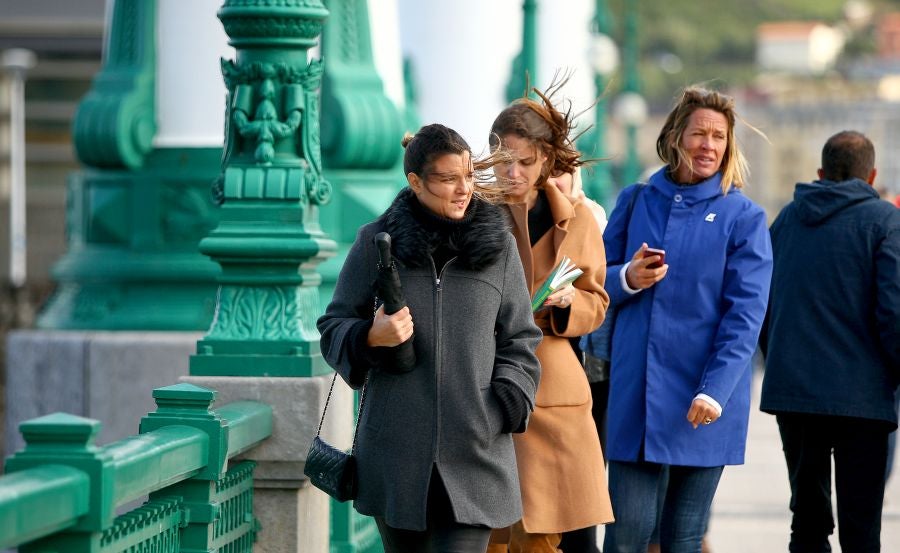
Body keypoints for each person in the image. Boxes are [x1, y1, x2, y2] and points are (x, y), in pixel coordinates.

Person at [317, 123, 543, 553]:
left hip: (476, 453)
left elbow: (521, 338)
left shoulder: (499, 248)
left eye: (469, 176)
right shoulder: (375, 242)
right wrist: (370, 336)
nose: (463, 189)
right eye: (447, 179)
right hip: (395, 456)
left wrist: (502, 405)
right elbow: (333, 326)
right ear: (416, 182)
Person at [601, 86, 772, 553]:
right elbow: (594, 281)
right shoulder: (636, 200)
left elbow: (745, 315)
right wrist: (628, 277)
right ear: (676, 136)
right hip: (636, 394)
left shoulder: (744, 218)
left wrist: (715, 390)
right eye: (699, 133)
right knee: (625, 535)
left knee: (684, 538)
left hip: (705, 397)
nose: (708, 145)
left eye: (719, 136)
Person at [486, 83, 614, 553]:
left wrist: (569, 302)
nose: (512, 173)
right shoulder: (475, 214)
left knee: (551, 530)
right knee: (489, 531)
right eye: (503, 161)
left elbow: (597, 301)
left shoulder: (580, 219)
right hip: (487, 375)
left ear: (544, 160)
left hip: (553, 383)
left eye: (524, 162)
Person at [759, 130, 900, 553]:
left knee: (807, 522)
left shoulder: (787, 219)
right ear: (871, 176)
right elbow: (893, 312)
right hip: (864, 399)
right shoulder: (885, 222)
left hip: (795, 394)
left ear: (820, 173)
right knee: (861, 528)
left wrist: (779, 361)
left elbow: (763, 303)